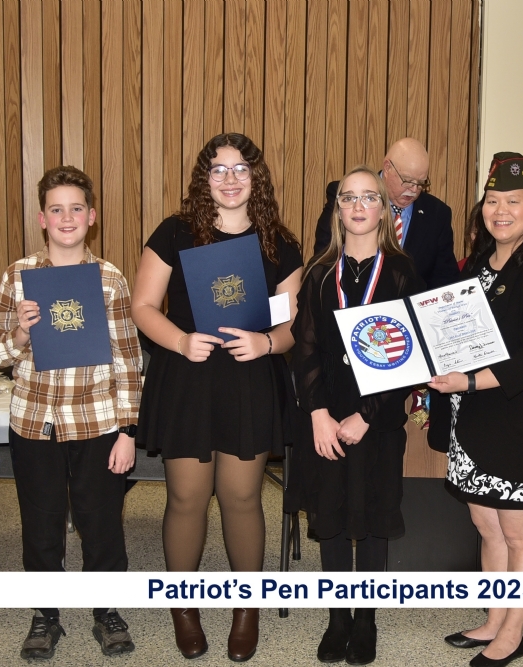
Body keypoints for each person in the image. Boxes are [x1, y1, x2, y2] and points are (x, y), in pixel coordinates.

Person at [131, 132, 303, 662]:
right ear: (203, 179)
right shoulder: (175, 231)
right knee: (186, 497)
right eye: (218, 169)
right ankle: (183, 608)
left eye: (241, 169)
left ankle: (246, 609)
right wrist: (181, 341)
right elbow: (143, 306)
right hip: (188, 377)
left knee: (242, 498)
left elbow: (292, 325)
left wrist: (267, 343)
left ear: (257, 178)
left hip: (248, 381)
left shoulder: (279, 243)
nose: (230, 179)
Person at [0, 166, 144, 660]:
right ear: (42, 218)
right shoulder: (18, 275)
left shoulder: (110, 279)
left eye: (76, 208)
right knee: (40, 523)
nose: (67, 217)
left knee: (102, 523)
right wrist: (19, 333)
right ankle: (45, 614)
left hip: (98, 422)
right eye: (56, 209)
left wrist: (128, 431)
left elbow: (128, 359)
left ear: (92, 216)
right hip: (34, 421)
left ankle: (106, 610)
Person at [431, 152, 523, 667]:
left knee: (518, 532)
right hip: (476, 420)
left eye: (513, 201)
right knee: (487, 526)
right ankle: (494, 619)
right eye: (492, 201)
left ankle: (513, 633)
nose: (501, 211)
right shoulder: (477, 264)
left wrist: (469, 380)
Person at [289, 167, 426, 665]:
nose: (359, 206)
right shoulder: (319, 272)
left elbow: (412, 354)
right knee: (329, 519)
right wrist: (319, 413)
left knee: (371, 521)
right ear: (338, 210)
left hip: (378, 419)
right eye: (349, 198)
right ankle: (337, 618)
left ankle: (365, 620)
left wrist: (366, 416)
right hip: (326, 416)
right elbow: (304, 348)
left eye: (370, 197)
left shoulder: (403, 272)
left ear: (384, 209)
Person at [313, 138, 458, 289]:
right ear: (388, 168)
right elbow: (324, 256)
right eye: (407, 180)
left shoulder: (437, 213)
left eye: (421, 183)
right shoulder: (346, 198)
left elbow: (445, 278)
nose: (414, 190)